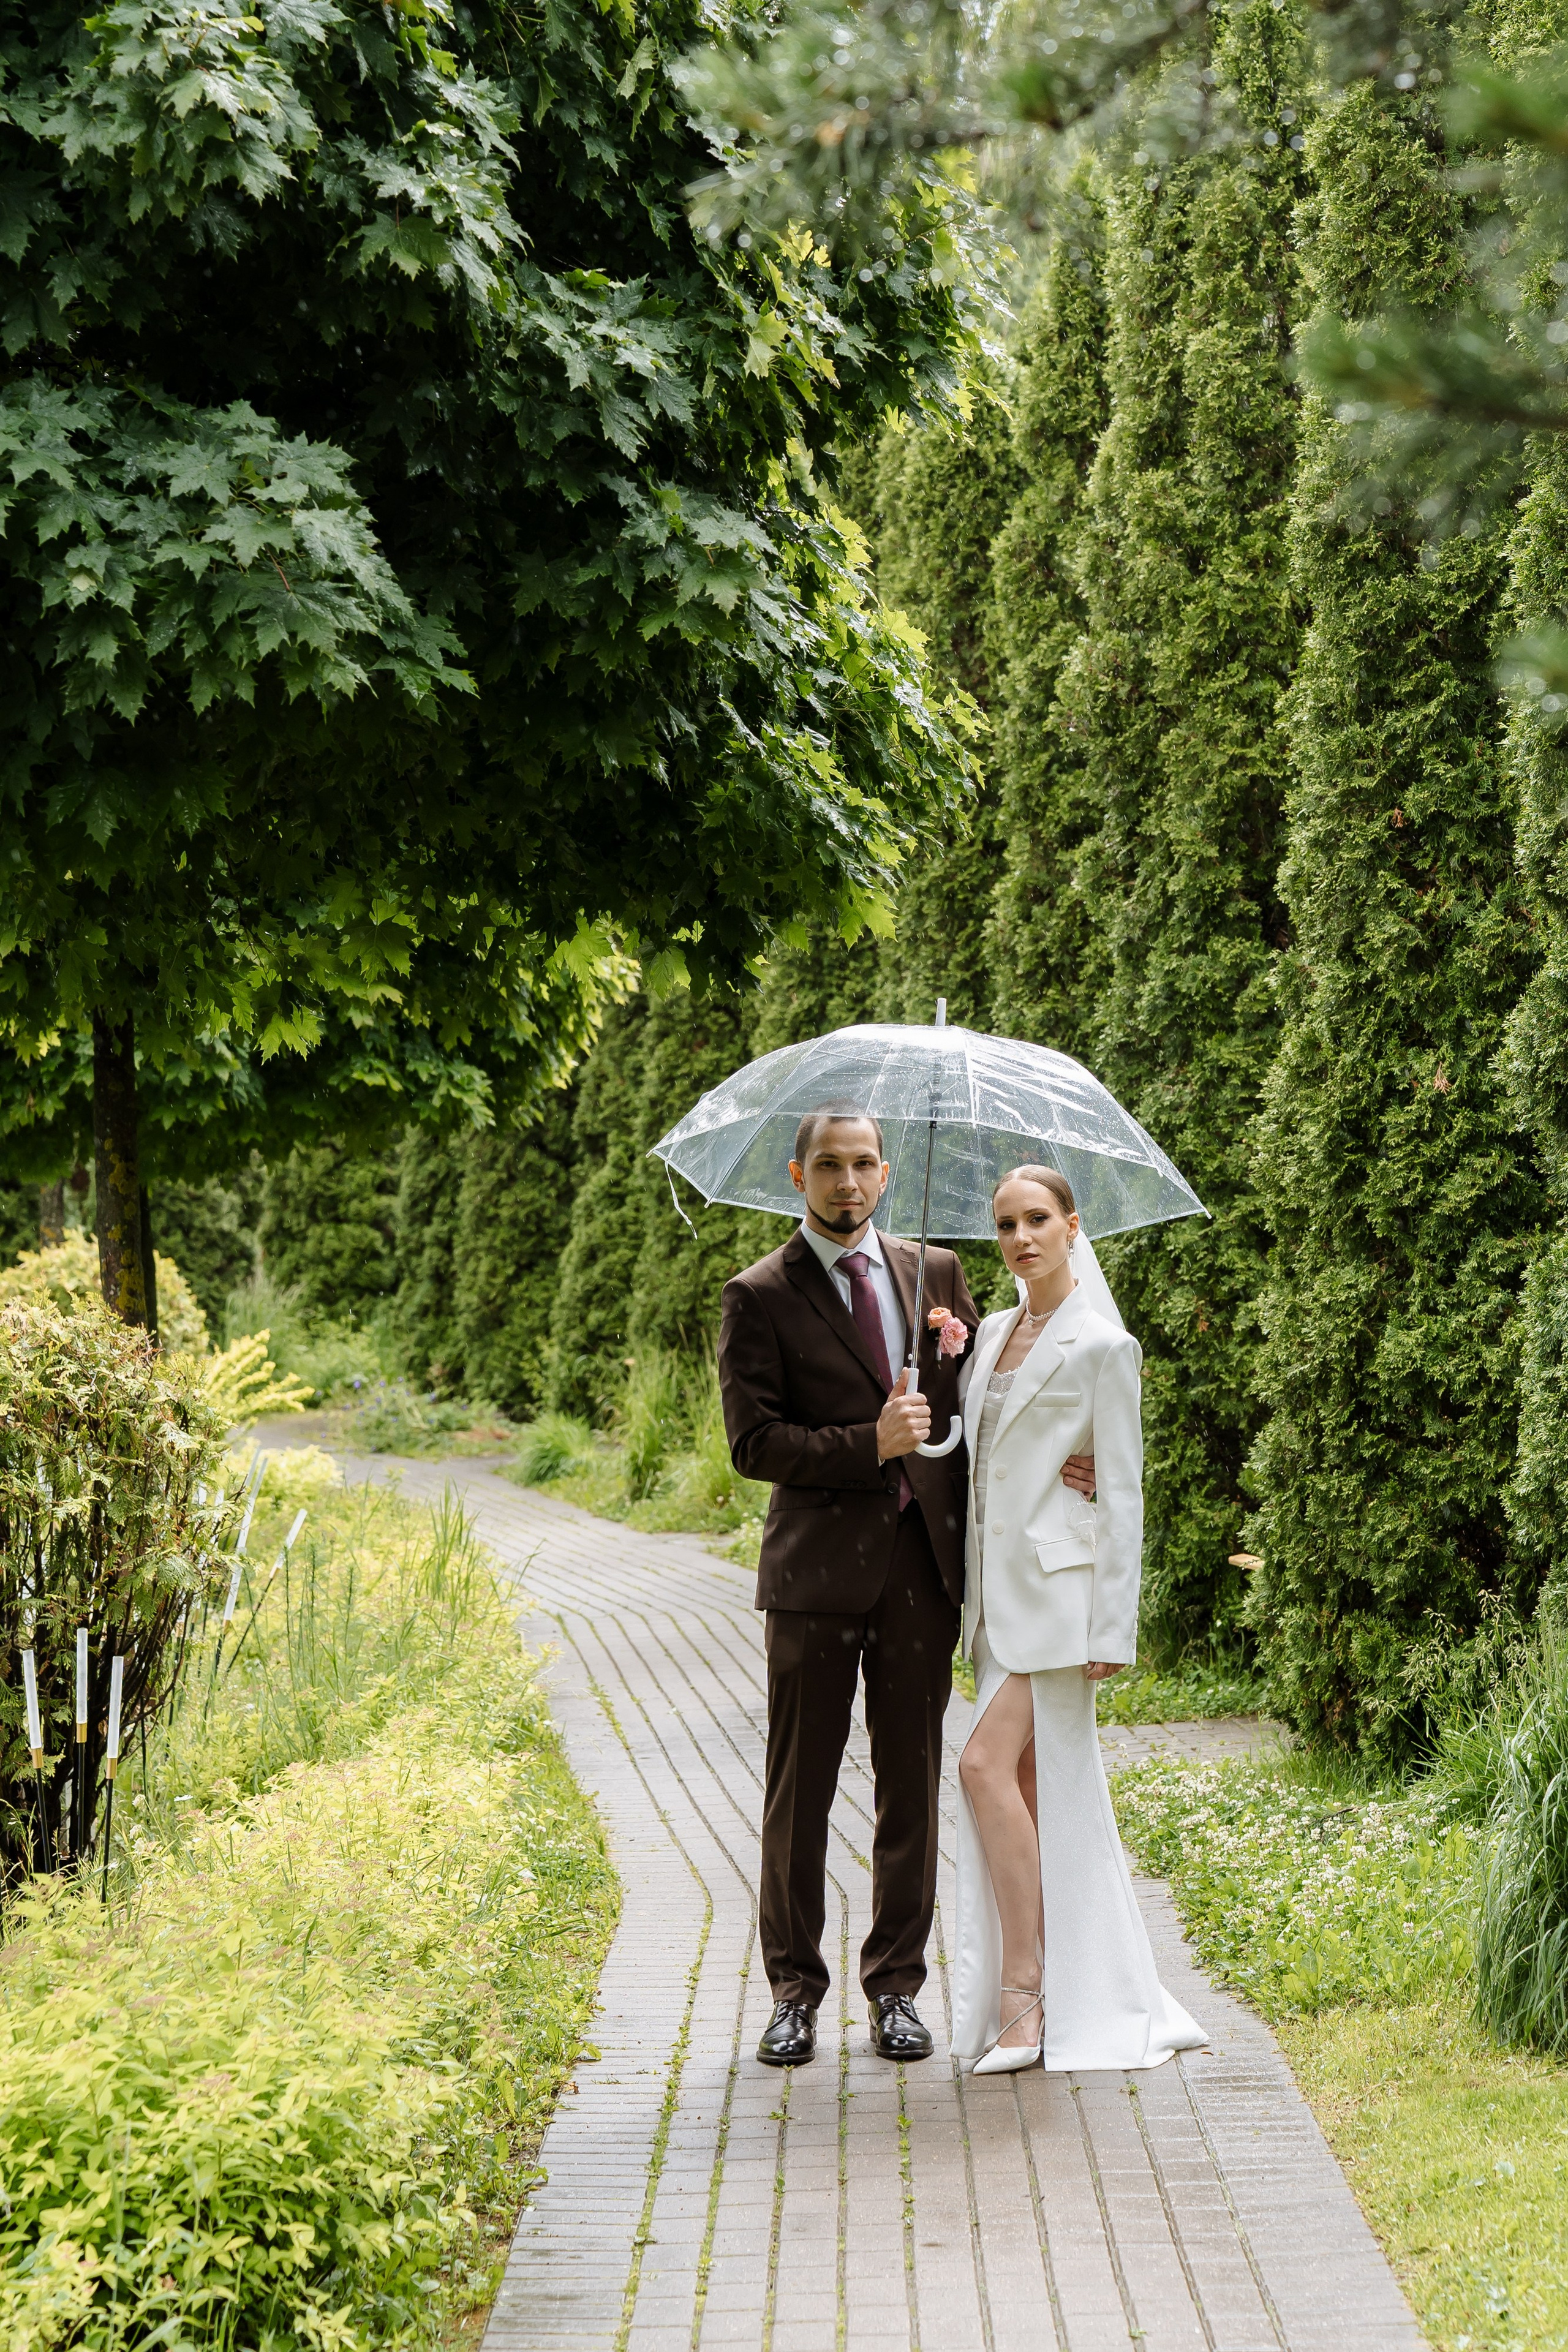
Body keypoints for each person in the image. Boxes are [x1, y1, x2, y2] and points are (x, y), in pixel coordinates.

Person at [716, 1100, 979, 2067]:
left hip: (920, 1573)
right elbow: (754, 1443)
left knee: (911, 1785)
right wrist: (867, 1444)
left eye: (865, 1163)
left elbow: (981, 1402)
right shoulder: (759, 1294)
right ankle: (793, 1992)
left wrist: (1060, 1459)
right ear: (798, 1176)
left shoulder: (936, 1275)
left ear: (884, 1168)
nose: (850, 1182)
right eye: (830, 1165)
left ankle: (897, 1989)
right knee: (802, 1788)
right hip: (814, 1577)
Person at [950, 1164, 1205, 2076]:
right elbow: (979, 1457)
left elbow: (1123, 1490)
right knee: (1024, 1785)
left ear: (1071, 1226)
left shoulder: (1104, 1345)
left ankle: (1026, 1992)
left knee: (980, 1766)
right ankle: (1070, 1982)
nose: (1022, 1239)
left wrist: (1114, 1629)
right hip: (992, 1603)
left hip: (1059, 1601)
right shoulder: (985, 1335)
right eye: (1008, 1224)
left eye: (1038, 1221)